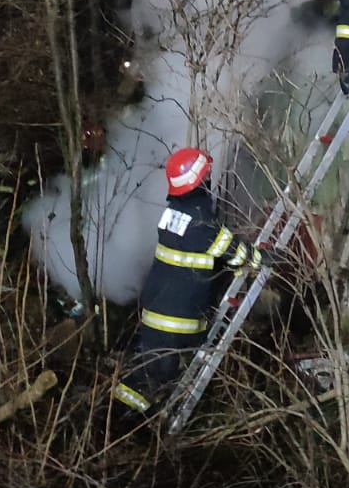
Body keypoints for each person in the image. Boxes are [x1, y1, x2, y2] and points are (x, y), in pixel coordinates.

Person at [112, 147, 262, 420]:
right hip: (178, 319)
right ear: (200, 181)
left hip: (156, 311)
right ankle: (134, 429)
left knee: (146, 374)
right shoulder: (202, 223)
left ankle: (117, 423)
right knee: (159, 377)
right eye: (207, 176)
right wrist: (260, 257)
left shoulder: (171, 215)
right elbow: (235, 252)